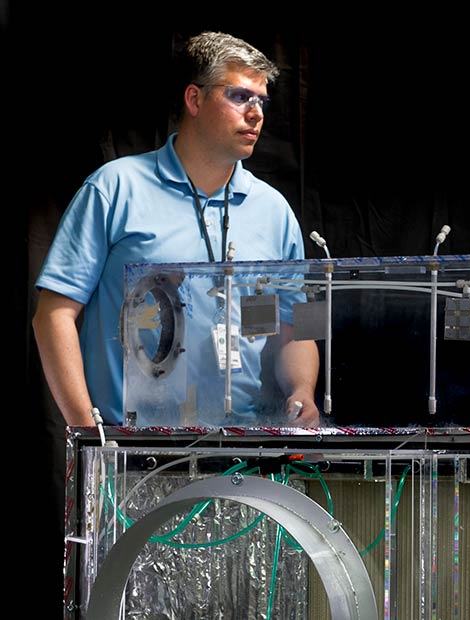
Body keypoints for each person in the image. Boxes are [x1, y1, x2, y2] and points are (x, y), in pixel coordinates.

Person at [32, 31, 320, 428]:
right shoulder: (115, 189)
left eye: (262, 101)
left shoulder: (274, 211)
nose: (256, 113)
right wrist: (87, 432)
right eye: (240, 96)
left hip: (246, 445)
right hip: (131, 444)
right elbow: (53, 316)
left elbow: (295, 327)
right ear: (194, 99)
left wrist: (302, 390)